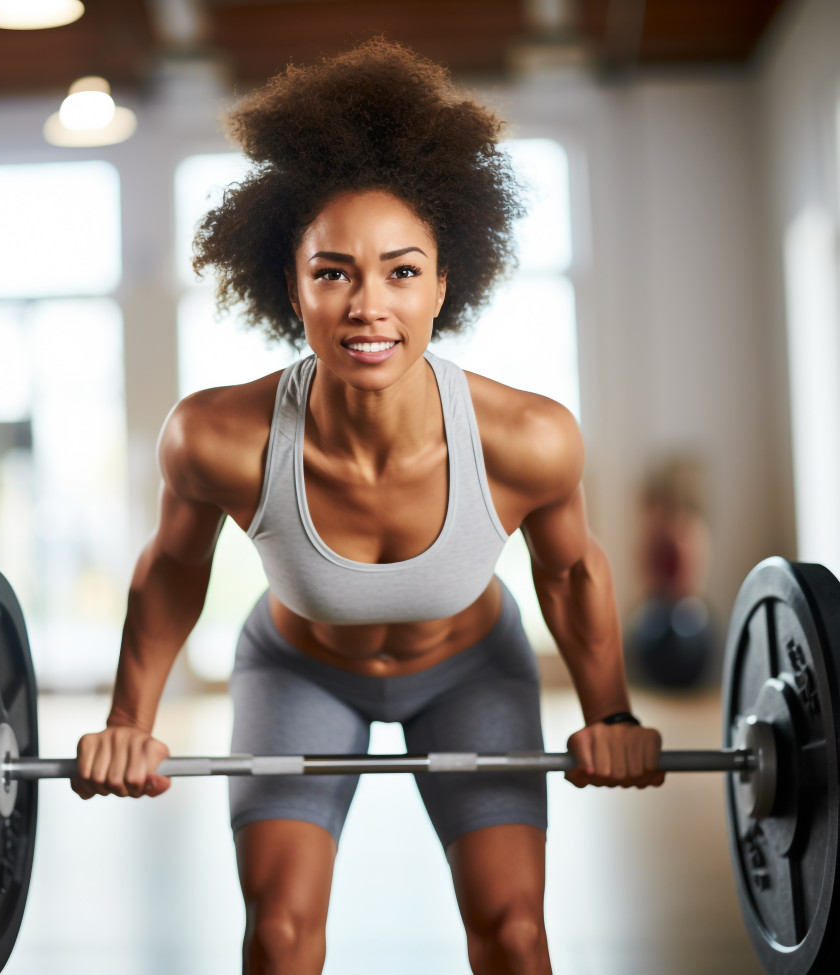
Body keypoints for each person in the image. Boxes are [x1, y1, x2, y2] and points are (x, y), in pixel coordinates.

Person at [71, 39, 665, 975]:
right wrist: (127, 720)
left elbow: (573, 568)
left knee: (514, 934)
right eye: (334, 271)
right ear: (291, 287)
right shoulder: (215, 436)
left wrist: (614, 718)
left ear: (443, 284)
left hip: (472, 672)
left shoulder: (530, 437)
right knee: (278, 935)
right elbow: (171, 570)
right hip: (299, 674)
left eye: (400, 271)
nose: (367, 306)